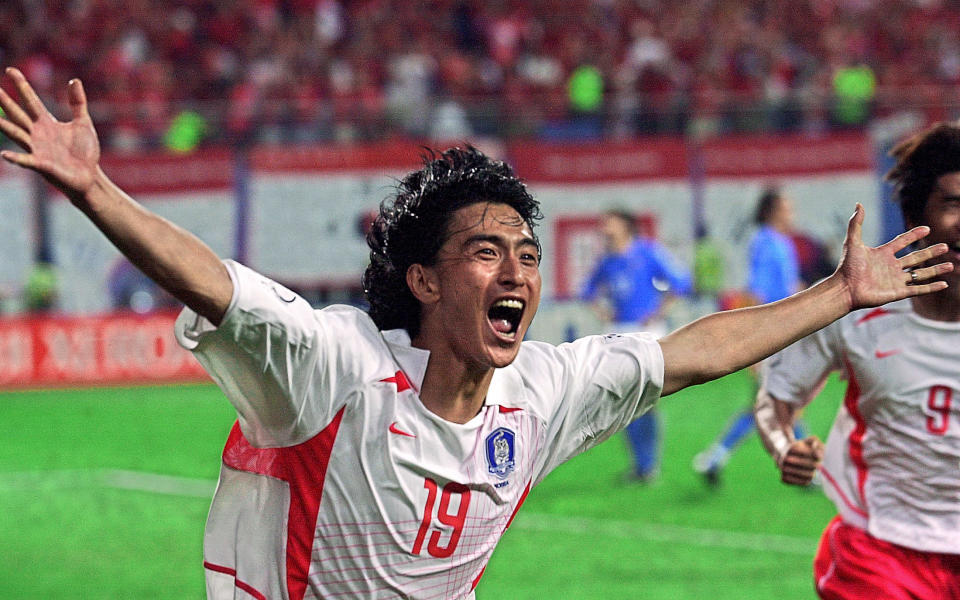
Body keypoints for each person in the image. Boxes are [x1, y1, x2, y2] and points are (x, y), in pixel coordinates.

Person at [0, 67, 950, 600]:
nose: (518, 274)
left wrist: (840, 293)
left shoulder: (540, 391)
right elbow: (216, 283)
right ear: (422, 279)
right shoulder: (336, 366)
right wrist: (96, 191)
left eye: (528, 256)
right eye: (487, 253)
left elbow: (692, 352)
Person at [754, 122, 960, 599]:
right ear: (917, 217)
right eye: (952, 203)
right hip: (880, 552)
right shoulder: (858, 312)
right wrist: (785, 447)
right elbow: (776, 400)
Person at [693, 186, 807, 486]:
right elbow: (756, 292)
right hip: (773, 334)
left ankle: (715, 458)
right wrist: (756, 343)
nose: (791, 213)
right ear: (771, 211)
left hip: (786, 332)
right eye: (786, 207)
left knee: (775, 403)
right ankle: (809, 469)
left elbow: (788, 287)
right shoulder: (764, 242)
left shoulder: (782, 243)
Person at [580, 209, 692, 482]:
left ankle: (650, 465)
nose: (604, 227)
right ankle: (641, 466)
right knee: (624, 400)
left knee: (648, 399)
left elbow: (681, 282)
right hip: (618, 332)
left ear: (625, 226)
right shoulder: (607, 260)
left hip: (646, 332)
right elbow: (587, 291)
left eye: (610, 222)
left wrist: (660, 311)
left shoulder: (647, 252)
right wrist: (603, 313)